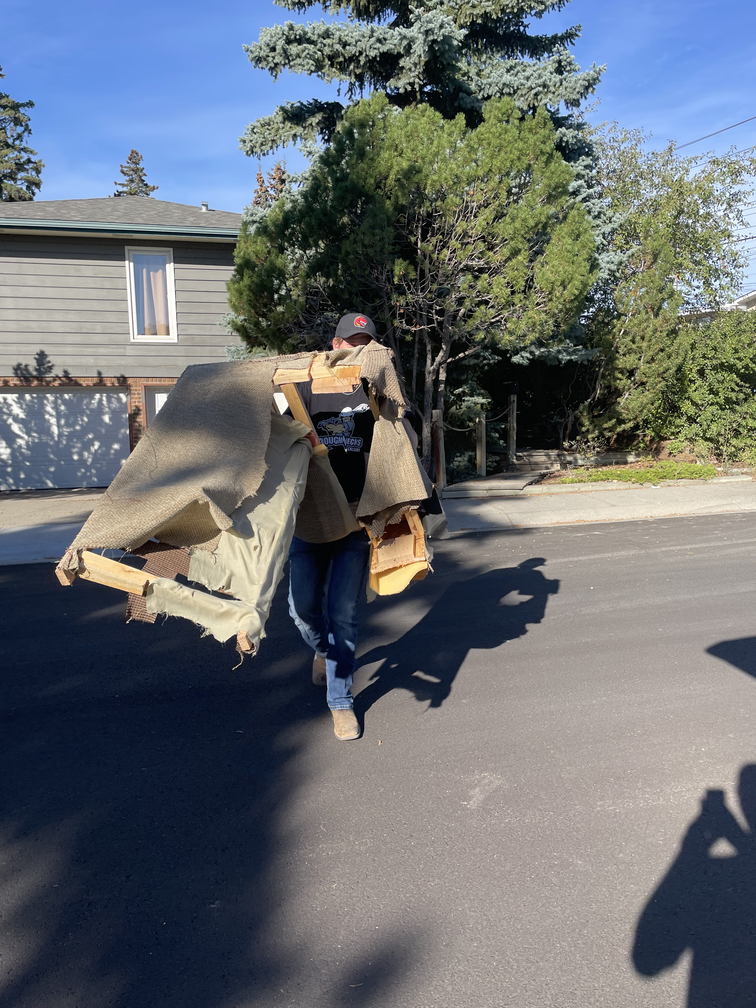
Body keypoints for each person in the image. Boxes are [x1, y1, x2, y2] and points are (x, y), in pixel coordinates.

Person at [287, 312, 379, 741]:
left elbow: (402, 439)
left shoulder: (375, 386)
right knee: (301, 607)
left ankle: (341, 703)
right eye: (349, 342)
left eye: (365, 343)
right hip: (310, 515)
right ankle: (323, 652)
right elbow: (276, 425)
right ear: (334, 344)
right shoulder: (303, 384)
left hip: (358, 517)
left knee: (343, 613)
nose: (355, 350)